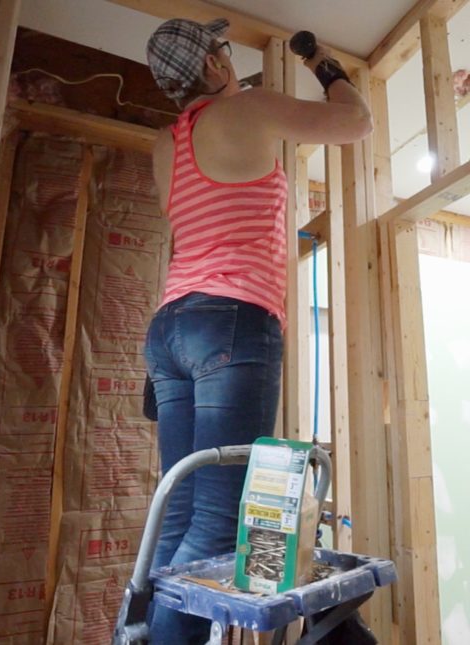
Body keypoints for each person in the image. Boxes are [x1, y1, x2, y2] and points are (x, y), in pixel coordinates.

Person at [143, 17, 372, 644]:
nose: (227, 56)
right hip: (231, 321)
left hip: (170, 329)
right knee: (216, 523)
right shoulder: (246, 109)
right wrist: (319, 58)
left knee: (182, 513)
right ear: (215, 67)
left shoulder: (166, 143)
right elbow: (357, 122)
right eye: (222, 49)